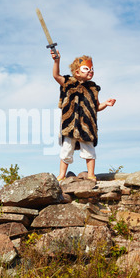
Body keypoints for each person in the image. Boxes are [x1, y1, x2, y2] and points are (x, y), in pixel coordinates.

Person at [51, 49, 116, 181]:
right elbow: (56, 75)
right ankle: (62, 175)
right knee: (66, 150)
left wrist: (106, 104)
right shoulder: (68, 83)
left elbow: (96, 107)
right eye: (86, 68)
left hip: (87, 126)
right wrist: (57, 61)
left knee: (89, 150)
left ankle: (91, 174)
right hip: (70, 125)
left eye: (92, 69)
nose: (90, 71)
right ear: (77, 72)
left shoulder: (93, 88)